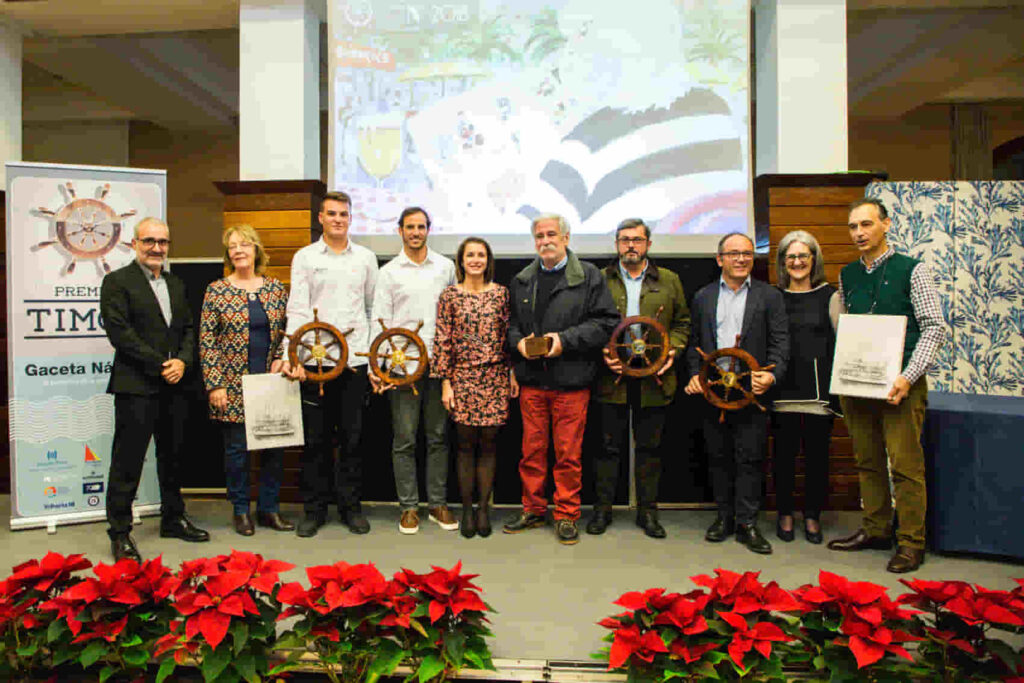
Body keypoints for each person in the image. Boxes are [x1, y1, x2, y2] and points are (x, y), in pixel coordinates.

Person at [827, 198, 945, 573]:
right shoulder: (847, 275)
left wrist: (908, 376)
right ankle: (876, 529)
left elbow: (934, 328)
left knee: (905, 466)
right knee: (868, 460)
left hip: (901, 384)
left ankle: (911, 542)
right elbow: (849, 325)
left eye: (866, 224)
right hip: (858, 384)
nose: (859, 233)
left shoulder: (913, 270)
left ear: (886, 224)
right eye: (853, 227)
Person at [503, 213, 619, 545]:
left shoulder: (590, 276)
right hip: (532, 383)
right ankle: (533, 510)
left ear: (566, 238)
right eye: (539, 236)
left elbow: (606, 322)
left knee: (568, 455)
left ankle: (567, 514)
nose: (545, 241)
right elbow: (510, 325)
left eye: (551, 234)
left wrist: (563, 341)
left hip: (571, 383)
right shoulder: (522, 279)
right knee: (531, 452)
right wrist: (518, 343)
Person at [100, 216, 210, 562]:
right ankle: (120, 533)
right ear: (134, 243)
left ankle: (173, 518)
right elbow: (120, 334)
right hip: (136, 385)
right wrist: (163, 364)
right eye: (149, 241)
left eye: (163, 242)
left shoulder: (176, 284)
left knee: (173, 457)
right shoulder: (117, 282)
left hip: (176, 386)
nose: (157, 248)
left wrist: (183, 362)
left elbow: (189, 329)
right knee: (127, 461)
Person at [684, 232, 788, 555]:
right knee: (718, 457)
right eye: (733, 254)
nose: (741, 259)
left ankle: (747, 524)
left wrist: (771, 376)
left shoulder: (770, 296)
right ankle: (724, 518)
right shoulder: (703, 297)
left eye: (746, 253)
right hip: (714, 392)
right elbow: (694, 344)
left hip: (751, 392)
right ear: (720, 260)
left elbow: (781, 343)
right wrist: (694, 375)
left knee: (750, 458)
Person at [282, 190, 377, 538]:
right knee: (315, 440)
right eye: (332, 213)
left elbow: (372, 308)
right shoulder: (305, 257)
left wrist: (371, 360)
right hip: (314, 362)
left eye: (344, 214)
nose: (338, 219)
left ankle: (351, 509)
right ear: (320, 218)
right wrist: (291, 356)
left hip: (355, 361)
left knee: (353, 439)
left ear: (350, 218)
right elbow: (297, 308)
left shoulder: (366, 258)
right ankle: (315, 510)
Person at [590, 218, 690, 539]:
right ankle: (603, 510)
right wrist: (601, 352)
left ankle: (648, 512)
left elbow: (682, 323)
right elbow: (588, 323)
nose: (630, 245)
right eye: (624, 240)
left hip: (654, 377)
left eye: (636, 239)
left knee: (650, 448)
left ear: (648, 244)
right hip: (611, 377)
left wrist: (673, 349)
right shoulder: (598, 280)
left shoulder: (670, 280)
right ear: (616, 244)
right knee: (607, 448)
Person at [199, 225, 293, 537]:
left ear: (256, 250)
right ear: (228, 254)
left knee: (274, 449)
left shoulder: (275, 289)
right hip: (232, 385)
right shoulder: (216, 291)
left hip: (271, 382)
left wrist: (283, 358)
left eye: (245, 244)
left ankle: (269, 509)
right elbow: (207, 341)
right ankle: (241, 510)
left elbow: (287, 333)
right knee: (237, 452)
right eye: (233, 246)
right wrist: (215, 384)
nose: (239, 250)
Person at [371, 207, 459, 535]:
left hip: (439, 366)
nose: (416, 232)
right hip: (402, 367)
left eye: (421, 227)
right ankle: (408, 507)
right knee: (404, 439)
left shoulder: (445, 267)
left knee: (438, 437)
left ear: (428, 230)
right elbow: (379, 319)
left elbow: (455, 312)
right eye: (410, 227)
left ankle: (437, 503)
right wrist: (378, 366)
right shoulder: (388, 272)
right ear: (400, 231)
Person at [434, 237, 519, 539]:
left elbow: (509, 335)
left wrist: (512, 373)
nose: (475, 260)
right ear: (461, 260)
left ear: (488, 260)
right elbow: (442, 339)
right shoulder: (450, 296)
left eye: (481, 255)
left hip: (495, 376)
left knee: (490, 445)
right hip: (462, 377)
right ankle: (467, 510)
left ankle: (484, 509)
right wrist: (446, 382)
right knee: (466, 445)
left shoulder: (501, 294)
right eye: (470, 255)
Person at [771, 230, 841, 545]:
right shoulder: (773, 296)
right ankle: (785, 513)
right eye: (791, 257)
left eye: (803, 256)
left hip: (819, 392)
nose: (797, 262)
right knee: (783, 457)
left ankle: (812, 515)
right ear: (782, 262)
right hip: (782, 389)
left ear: (814, 260)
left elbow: (844, 342)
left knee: (817, 458)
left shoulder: (831, 296)